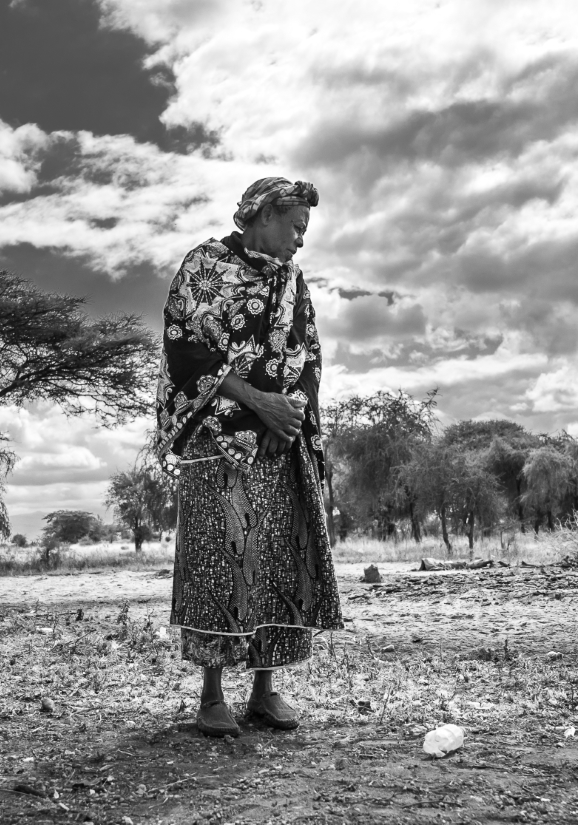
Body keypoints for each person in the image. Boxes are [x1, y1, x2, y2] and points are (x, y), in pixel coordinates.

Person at [155, 177, 343, 737]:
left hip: (277, 442)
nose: (300, 241)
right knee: (219, 558)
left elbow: (307, 356)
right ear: (263, 215)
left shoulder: (293, 281)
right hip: (218, 439)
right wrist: (258, 402)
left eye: (305, 232)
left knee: (278, 559)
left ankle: (265, 690)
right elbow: (186, 350)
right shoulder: (204, 267)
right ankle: (212, 694)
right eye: (295, 227)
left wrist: (286, 422)